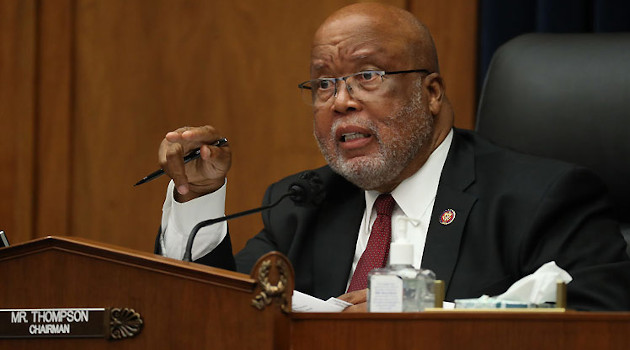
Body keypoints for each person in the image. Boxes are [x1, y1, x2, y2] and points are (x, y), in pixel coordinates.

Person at [154, 3, 630, 311]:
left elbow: (603, 312)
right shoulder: (302, 204)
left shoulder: (539, 200)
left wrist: (427, 323)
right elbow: (216, 313)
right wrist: (199, 196)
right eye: (323, 83)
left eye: (368, 76)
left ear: (431, 92)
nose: (340, 101)